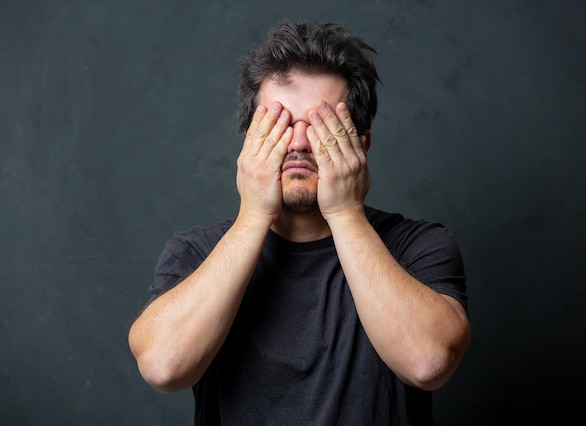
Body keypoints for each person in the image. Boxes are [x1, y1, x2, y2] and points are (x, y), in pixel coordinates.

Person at [128, 19, 471, 425]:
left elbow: (427, 363)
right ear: (248, 139)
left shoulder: (418, 245)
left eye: (324, 124)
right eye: (280, 124)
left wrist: (345, 212)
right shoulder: (195, 252)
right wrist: (254, 213)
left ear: (361, 143)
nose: (299, 142)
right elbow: (163, 367)